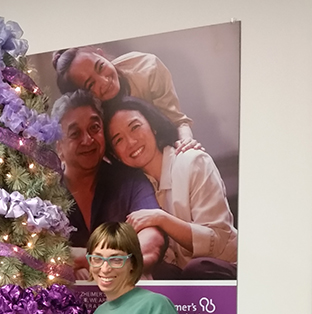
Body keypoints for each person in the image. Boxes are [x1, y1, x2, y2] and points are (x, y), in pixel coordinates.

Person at [105, 96, 237, 280]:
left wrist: (161, 219)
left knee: (197, 269)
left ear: (154, 126)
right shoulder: (134, 189)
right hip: (184, 282)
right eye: (118, 140)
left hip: (226, 271)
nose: (131, 142)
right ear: (115, 155)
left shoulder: (193, 162)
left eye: (135, 127)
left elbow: (218, 239)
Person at [51, 90, 165, 278]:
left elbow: (151, 241)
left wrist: (85, 260)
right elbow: (36, 254)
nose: (88, 140)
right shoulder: (42, 194)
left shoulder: (130, 180)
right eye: (75, 133)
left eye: (94, 128)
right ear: (59, 147)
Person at [52, 47, 199, 152]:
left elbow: (177, 121)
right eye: (91, 85)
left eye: (100, 66)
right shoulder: (89, 114)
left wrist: (187, 144)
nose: (104, 81)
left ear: (100, 54)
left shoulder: (148, 69)